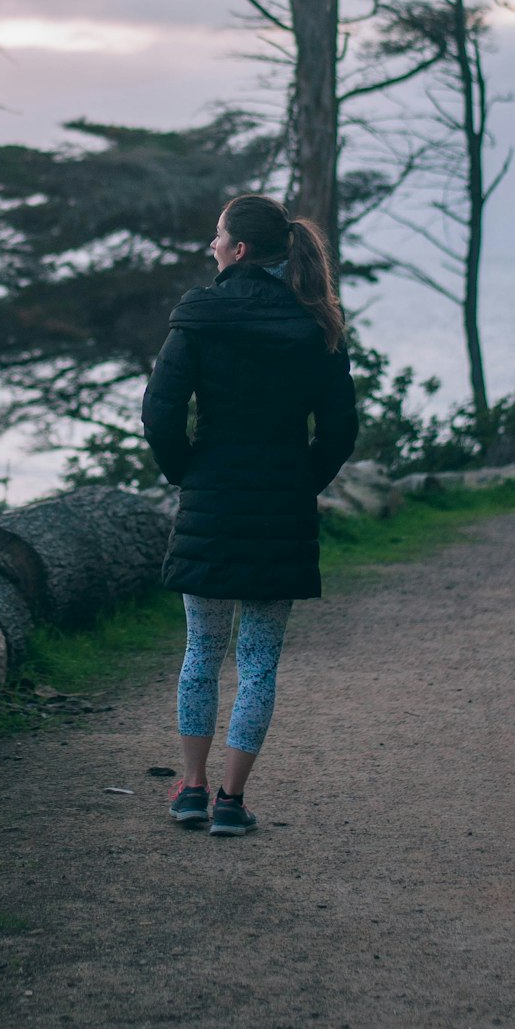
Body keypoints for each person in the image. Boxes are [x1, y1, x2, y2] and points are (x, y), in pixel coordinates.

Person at [142, 193, 358, 836]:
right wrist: (299, 481)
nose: (211, 247)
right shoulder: (315, 320)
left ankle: (191, 790)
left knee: (201, 654)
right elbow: (340, 431)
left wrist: (187, 473)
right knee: (259, 662)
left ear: (237, 250)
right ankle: (231, 803)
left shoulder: (199, 313)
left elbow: (159, 413)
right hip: (281, 510)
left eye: (217, 237)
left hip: (212, 499)